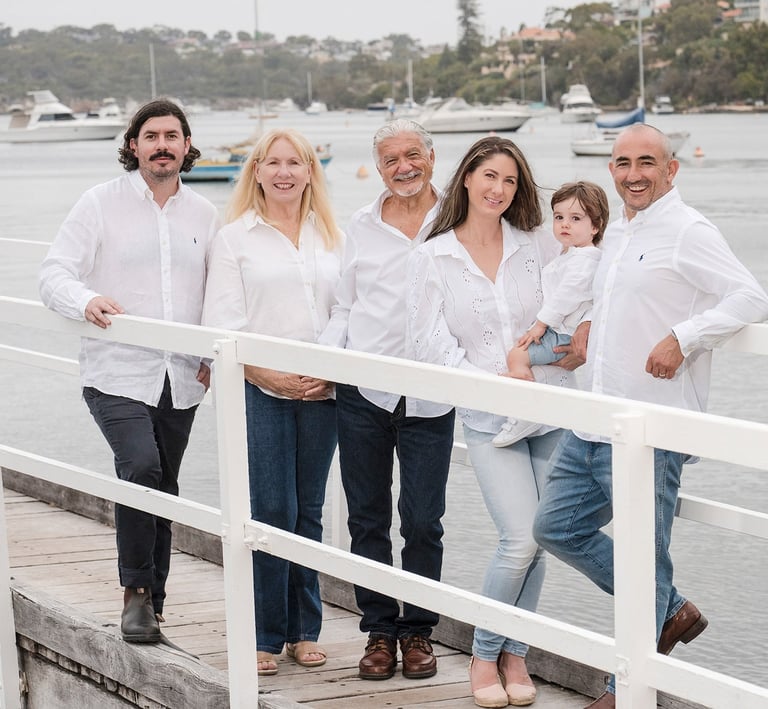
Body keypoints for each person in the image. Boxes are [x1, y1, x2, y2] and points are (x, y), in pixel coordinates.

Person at [532, 123, 768, 709]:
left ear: (670, 169)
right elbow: (613, 296)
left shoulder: (689, 231)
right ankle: (671, 609)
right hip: (597, 417)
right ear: (612, 170)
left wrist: (684, 337)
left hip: (652, 427)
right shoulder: (618, 231)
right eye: (622, 163)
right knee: (554, 528)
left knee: (644, 554)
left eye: (646, 162)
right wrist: (590, 321)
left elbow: (750, 296)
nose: (633, 174)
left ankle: (627, 690)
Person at [406, 135, 584, 708]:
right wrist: (495, 383)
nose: (498, 189)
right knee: (519, 537)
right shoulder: (434, 257)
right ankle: (484, 654)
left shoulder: (538, 243)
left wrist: (582, 335)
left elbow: (584, 286)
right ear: (466, 178)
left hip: (551, 407)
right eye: (489, 176)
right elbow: (429, 346)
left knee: (542, 539)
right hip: (489, 417)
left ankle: (516, 655)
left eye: (510, 180)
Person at [38, 98, 220, 644]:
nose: (162, 146)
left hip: (182, 377)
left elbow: (218, 293)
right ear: (134, 145)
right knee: (140, 467)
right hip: (115, 371)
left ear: (186, 145)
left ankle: (155, 600)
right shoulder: (100, 203)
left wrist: (212, 355)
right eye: (151, 136)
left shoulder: (205, 214)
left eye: (171, 136)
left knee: (164, 484)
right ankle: (135, 593)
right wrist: (85, 299)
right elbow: (53, 273)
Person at [318, 119, 455, 681]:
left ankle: (418, 631)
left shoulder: (458, 218)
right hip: (363, 393)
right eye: (391, 159)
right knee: (367, 518)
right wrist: (324, 361)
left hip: (432, 396)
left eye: (412, 155)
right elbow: (346, 306)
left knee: (423, 521)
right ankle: (379, 630)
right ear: (378, 168)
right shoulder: (360, 225)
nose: (404, 167)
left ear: (431, 156)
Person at [202, 129, 343, 676]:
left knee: (309, 511)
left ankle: (304, 631)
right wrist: (268, 375)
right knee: (271, 510)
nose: (285, 173)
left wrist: (328, 372)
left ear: (310, 171)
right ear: (256, 171)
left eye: (295, 163)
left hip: (323, 390)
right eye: (274, 163)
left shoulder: (332, 236)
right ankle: (265, 632)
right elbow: (222, 322)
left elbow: (347, 312)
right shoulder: (234, 238)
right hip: (259, 390)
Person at [492, 181, 608, 448]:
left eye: (576, 218)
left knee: (517, 355)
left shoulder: (585, 259)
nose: (565, 224)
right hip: (561, 328)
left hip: (562, 332)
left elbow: (566, 296)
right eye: (559, 217)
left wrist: (540, 325)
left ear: (595, 226)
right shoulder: (571, 255)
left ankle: (526, 411)